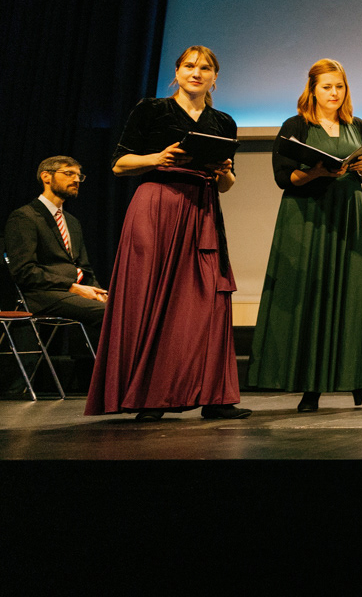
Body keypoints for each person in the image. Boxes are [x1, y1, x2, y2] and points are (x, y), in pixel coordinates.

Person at [85, 45, 248, 421]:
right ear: (177, 72)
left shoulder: (223, 122)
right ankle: (149, 397)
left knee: (208, 301)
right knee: (152, 298)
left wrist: (224, 171)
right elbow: (119, 164)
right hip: (158, 206)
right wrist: (157, 158)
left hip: (202, 211)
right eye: (189, 66)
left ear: (215, 77)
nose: (197, 73)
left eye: (205, 68)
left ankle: (215, 396)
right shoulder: (152, 109)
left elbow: (227, 184)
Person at [248, 59, 362, 413]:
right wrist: (316, 173)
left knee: (354, 297)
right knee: (311, 296)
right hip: (307, 217)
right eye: (327, 87)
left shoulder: (356, 125)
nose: (334, 93)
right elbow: (283, 177)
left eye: (339, 87)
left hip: (348, 216)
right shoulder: (294, 125)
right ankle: (311, 387)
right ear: (312, 89)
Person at [4, 156, 108, 354]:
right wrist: (71, 287)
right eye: (69, 173)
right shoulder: (24, 217)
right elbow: (24, 271)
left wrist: (97, 292)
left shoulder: (72, 222)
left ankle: (93, 368)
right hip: (41, 295)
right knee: (110, 314)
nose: (76, 180)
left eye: (79, 176)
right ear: (46, 177)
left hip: (71, 293)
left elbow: (84, 268)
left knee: (126, 309)